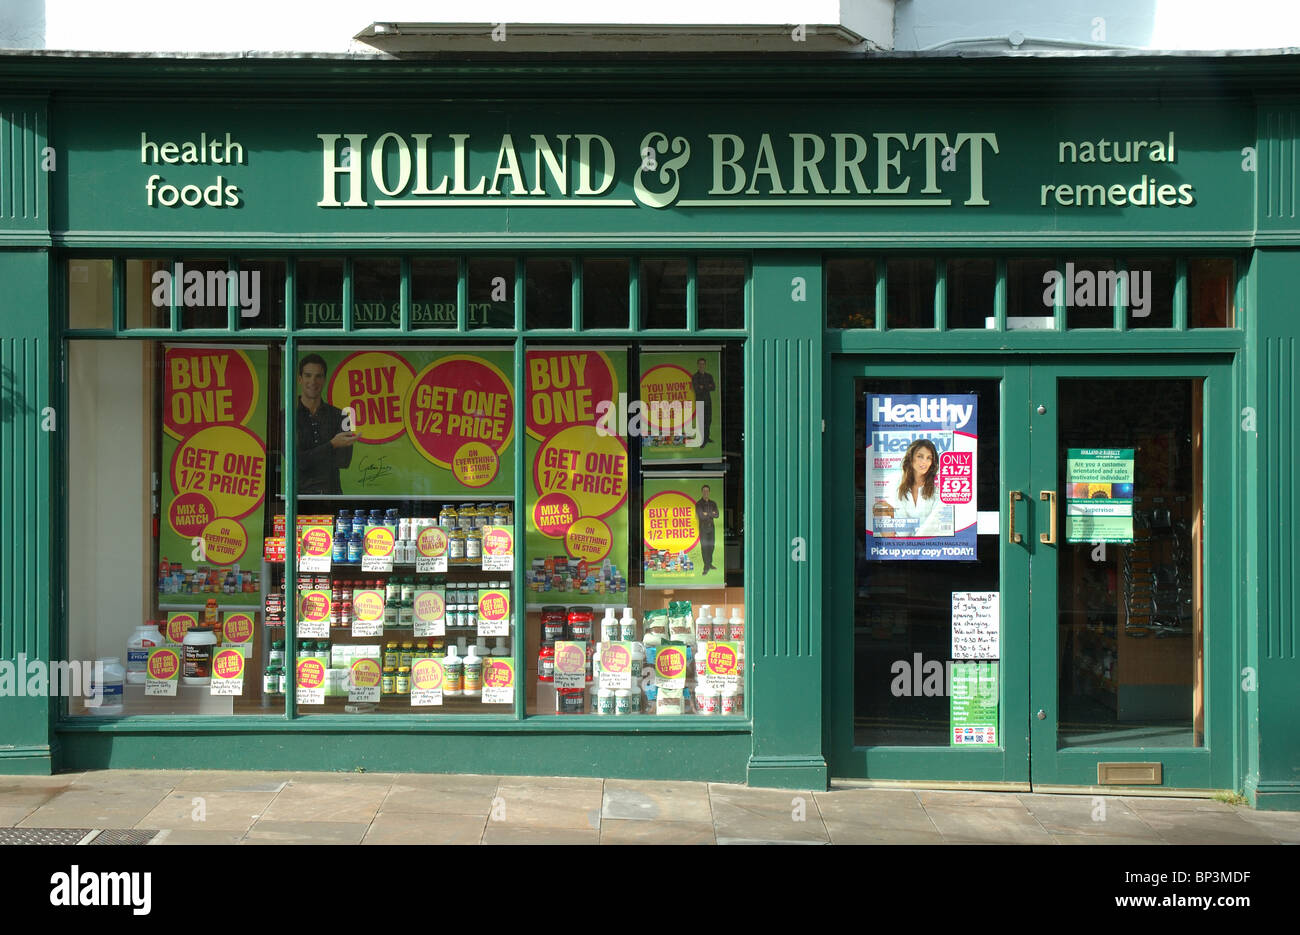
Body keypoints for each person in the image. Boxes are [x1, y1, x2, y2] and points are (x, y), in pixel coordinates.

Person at [296, 353, 356, 494]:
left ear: (324, 380)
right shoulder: (287, 415)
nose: (313, 381)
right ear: (300, 379)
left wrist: (311, 454)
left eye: (318, 376)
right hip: (299, 500)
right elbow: (299, 461)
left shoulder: (341, 415)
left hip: (332, 496)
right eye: (308, 375)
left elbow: (343, 461)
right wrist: (332, 444)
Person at [875, 438, 945, 537]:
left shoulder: (937, 486)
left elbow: (935, 521)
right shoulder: (898, 483)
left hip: (928, 540)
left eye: (929, 458)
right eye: (920, 456)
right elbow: (899, 517)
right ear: (911, 458)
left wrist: (914, 541)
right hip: (904, 541)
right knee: (879, 507)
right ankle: (891, 545)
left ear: (932, 462)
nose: (924, 462)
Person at [690, 357, 716, 446]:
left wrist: (703, 386)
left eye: (703, 364)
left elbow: (713, 387)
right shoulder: (695, 376)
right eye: (700, 364)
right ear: (698, 365)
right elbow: (697, 390)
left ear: (705, 365)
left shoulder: (709, 376)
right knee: (701, 421)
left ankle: (707, 437)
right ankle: (702, 440)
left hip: (708, 402)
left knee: (708, 420)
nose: (702, 365)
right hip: (700, 402)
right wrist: (707, 385)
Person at [695, 484, 720, 574]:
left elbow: (717, 515)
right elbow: (701, 516)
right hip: (703, 529)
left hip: (711, 528)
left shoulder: (713, 503)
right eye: (704, 491)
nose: (706, 492)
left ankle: (709, 563)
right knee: (704, 547)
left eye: (707, 491)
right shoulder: (698, 504)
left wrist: (707, 513)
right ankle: (706, 566)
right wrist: (711, 513)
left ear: (709, 492)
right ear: (702, 492)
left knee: (711, 546)